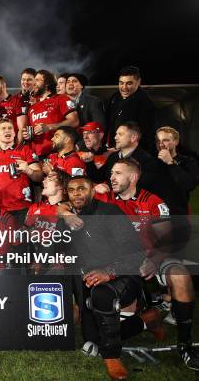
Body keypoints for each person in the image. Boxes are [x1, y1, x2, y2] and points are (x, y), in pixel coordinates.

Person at [97, 159, 199, 370]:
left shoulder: (152, 202)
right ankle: (146, 319)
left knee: (180, 276)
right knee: (110, 331)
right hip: (119, 264)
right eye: (111, 173)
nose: (111, 178)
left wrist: (154, 261)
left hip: (152, 258)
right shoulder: (104, 197)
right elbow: (71, 199)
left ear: (133, 177)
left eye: (117, 173)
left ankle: (185, 345)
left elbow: (166, 239)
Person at [62, 176, 146, 380]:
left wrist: (109, 272)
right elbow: (60, 250)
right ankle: (144, 322)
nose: (76, 193)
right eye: (72, 190)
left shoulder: (110, 212)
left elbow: (136, 253)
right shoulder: (67, 219)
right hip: (87, 278)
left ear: (92, 190)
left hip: (122, 275)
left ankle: (112, 357)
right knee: (92, 338)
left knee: (102, 295)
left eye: (82, 188)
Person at [0, 119, 42, 215]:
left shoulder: (24, 150)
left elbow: (39, 177)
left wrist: (28, 170)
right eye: (3, 128)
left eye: (10, 128)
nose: (7, 130)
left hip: (22, 206)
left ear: (14, 133)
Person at [24, 69, 79, 158]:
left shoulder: (62, 99)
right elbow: (34, 130)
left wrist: (49, 127)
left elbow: (74, 121)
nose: (34, 83)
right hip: (37, 156)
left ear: (47, 84)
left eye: (37, 80)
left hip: (58, 153)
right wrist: (28, 135)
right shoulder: (32, 108)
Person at [106, 66, 157, 153]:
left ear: (138, 82)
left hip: (131, 153)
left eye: (129, 83)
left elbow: (145, 134)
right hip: (114, 150)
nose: (124, 87)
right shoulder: (115, 97)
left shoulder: (145, 103)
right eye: (121, 83)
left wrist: (122, 149)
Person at [155, 126, 198, 210]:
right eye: (158, 141)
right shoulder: (152, 162)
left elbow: (190, 185)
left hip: (178, 211)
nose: (160, 144)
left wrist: (171, 163)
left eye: (165, 140)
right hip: (155, 211)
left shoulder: (188, 161)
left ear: (176, 141)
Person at [0, 74, 27, 144]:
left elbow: (21, 129)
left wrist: (16, 147)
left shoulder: (16, 100)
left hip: (14, 145)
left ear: (3, 86)